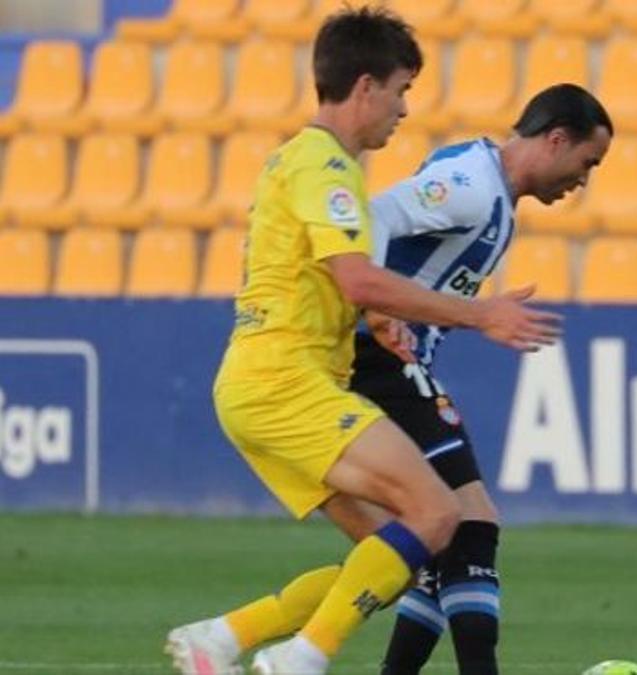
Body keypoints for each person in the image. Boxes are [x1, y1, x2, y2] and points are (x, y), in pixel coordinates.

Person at [163, 8, 561, 675]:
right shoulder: (327, 165)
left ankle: (223, 638)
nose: (405, 109)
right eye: (402, 90)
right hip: (289, 382)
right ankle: (298, 662)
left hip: (255, 385)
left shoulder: (296, 157)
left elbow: (337, 276)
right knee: (437, 512)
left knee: (396, 557)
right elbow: (358, 275)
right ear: (367, 85)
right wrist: (478, 314)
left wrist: (377, 317)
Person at [357, 82, 611, 675]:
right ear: (555, 140)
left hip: (389, 358)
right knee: (472, 519)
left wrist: (464, 313)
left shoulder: (485, 183)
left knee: (440, 534)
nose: (584, 181)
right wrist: (376, 307)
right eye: (586, 163)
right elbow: (376, 215)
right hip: (375, 358)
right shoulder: (473, 187)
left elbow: (416, 259)